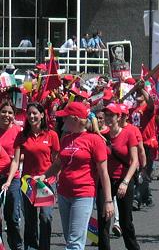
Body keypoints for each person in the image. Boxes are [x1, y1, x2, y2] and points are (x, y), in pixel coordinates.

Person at [41, 102, 114, 250]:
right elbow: (57, 165)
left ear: (74, 119)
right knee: (70, 239)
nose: (62, 121)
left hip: (83, 194)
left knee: (75, 243)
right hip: (64, 194)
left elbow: (103, 173)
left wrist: (108, 201)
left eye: (65, 117)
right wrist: (42, 177)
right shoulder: (66, 139)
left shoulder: (95, 140)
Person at [2, 102, 60, 250]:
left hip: (46, 182)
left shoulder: (52, 135)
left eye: (35, 113)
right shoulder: (22, 136)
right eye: (29, 114)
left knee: (45, 217)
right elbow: (15, 161)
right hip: (28, 182)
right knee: (30, 219)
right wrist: (9, 181)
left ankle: (44, 247)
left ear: (42, 115)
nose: (32, 116)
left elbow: (57, 161)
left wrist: (55, 179)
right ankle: (31, 247)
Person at [97, 103, 140, 250]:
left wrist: (126, 182)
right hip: (106, 181)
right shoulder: (102, 135)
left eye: (111, 115)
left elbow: (135, 161)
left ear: (119, 117)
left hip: (124, 179)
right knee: (103, 220)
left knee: (125, 221)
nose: (108, 118)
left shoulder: (128, 134)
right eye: (106, 115)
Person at [0, 99, 23, 250]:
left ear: (14, 115)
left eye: (10, 112)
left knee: (12, 218)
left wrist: (11, 159)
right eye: (3, 111)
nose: (6, 115)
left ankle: (16, 246)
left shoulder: (17, 132)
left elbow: (24, 155)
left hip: (12, 178)